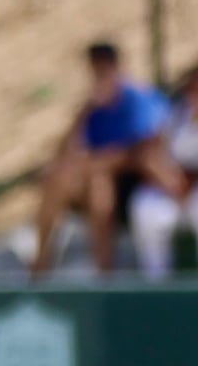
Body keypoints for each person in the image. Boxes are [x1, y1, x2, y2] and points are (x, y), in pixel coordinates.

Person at [31, 42, 185, 276]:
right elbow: (65, 153)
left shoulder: (138, 101)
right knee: (59, 177)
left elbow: (142, 153)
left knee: (98, 184)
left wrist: (93, 164)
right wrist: (82, 113)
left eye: (103, 70)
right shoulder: (94, 109)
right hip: (98, 178)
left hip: (136, 186)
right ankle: (41, 261)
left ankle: (105, 273)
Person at [128, 66, 198, 280]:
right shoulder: (175, 114)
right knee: (146, 208)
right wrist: (165, 178)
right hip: (171, 187)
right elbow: (148, 153)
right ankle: (156, 282)